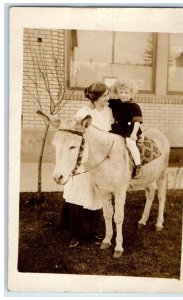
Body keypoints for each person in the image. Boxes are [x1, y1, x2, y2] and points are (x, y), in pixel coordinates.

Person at [61, 82, 114, 248]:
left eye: (107, 95)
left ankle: (92, 230)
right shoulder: (83, 112)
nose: (107, 98)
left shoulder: (109, 111)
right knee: (79, 192)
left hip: (100, 158)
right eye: (104, 96)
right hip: (84, 157)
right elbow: (76, 134)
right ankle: (75, 234)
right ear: (95, 98)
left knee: (96, 193)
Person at [109, 78, 143, 178]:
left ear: (131, 93)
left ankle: (138, 165)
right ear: (116, 92)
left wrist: (134, 134)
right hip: (118, 128)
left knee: (130, 142)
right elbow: (104, 102)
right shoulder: (116, 103)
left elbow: (137, 122)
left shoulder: (134, 106)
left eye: (126, 92)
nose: (123, 95)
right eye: (120, 92)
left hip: (130, 129)